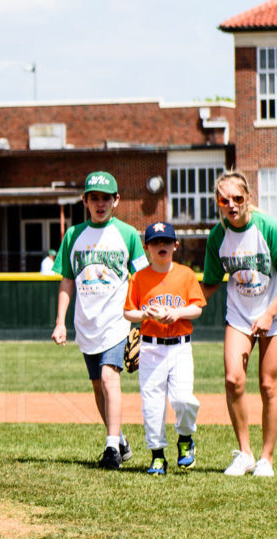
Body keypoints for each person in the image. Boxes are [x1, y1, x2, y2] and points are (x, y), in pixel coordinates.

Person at [52, 171, 148, 469]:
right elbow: (67, 280)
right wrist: (60, 321)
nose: (100, 203)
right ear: (85, 201)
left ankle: (111, 450)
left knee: (109, 378)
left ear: (116, 200)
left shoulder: (128, 234)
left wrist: (144, 319)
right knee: (97, 386)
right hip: (86, 323)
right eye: (94, 197)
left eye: (106, 197)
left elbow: (143, 278)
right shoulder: (73, 235)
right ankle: (119, 439)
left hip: (117, 321)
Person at [201, 171, 277, 477]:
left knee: (269, 386)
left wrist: (270, 313)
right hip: (240, 315)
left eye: (237, 198)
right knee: (233, 380)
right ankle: (244, 454)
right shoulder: (218, 236)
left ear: (248, 198)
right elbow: (208, 285)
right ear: (218, 203)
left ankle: (266, 459)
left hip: (272, 312)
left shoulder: (268, 228)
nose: (231, 205)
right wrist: (176, 305)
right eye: (224, 199)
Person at [123, 222, 205, 475]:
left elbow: (197, 308)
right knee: (152, 403)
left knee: (183, 398)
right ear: (146, 247)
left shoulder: (185, 275)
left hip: (180, 347)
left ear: (175, 245)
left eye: (166, 241)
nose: (162, 246)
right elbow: (128, 312)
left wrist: (176, 313)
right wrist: (145, 313)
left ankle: (184, 438)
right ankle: (157, 455)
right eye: (156, 242)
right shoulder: (139, 278)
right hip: (150, 347)